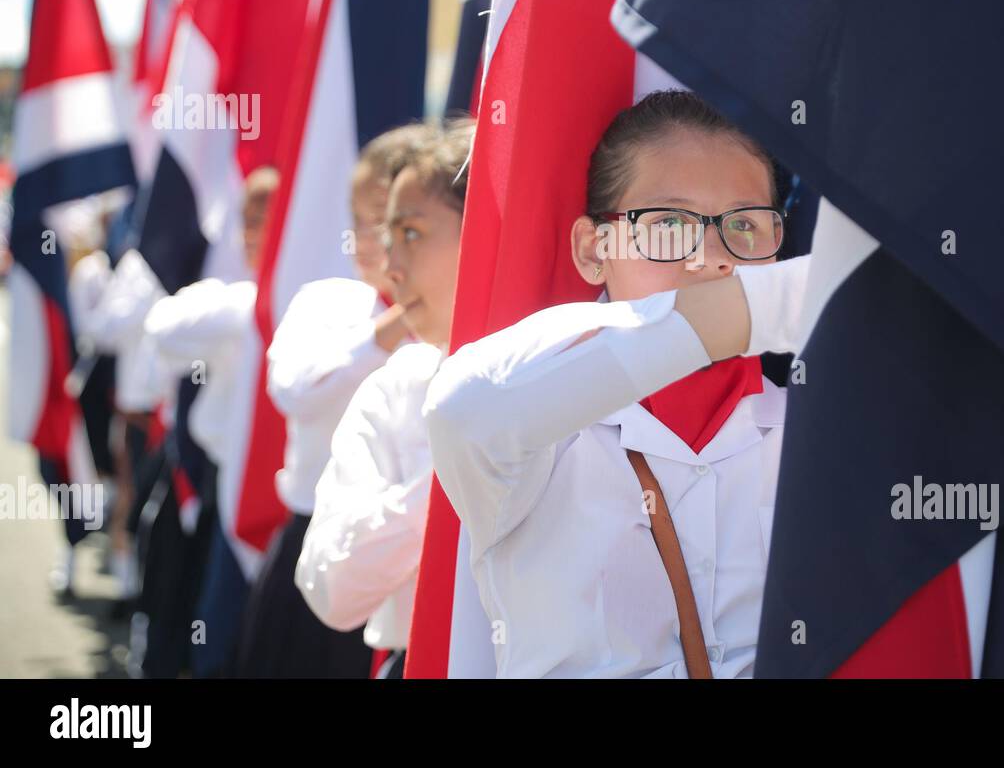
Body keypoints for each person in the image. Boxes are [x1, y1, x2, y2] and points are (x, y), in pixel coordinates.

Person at [422, 90, 810, 678]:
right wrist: (767, 306)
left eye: (746, 226)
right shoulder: (536, 438)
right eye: (669, 224)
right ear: (592, 250)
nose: (710, 258)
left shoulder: (821, 434)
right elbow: (462, 406)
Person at [233, 126, 427, 678]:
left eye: (386, 221)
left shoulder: (455, 326)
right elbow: (293, 390)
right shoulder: (327, 302)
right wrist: (394, 327)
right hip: (317, 549)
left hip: (411, 577)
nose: (367, 238)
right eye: (359, 218)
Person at [296, 124, 471, 679]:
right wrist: (462, 460)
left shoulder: (589, 381)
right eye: (388, 236)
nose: (392, 267)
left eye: (412, 233)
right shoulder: (400, 387)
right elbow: (331, 587)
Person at [142, 166, 280, 676]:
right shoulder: (237, 302)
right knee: (200, 613)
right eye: (246, 219)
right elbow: (162, 331)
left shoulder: (310, 304)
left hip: (279, 499)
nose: (250, 232)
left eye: (263, 219)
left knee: (238, 628)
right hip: (219, 482)